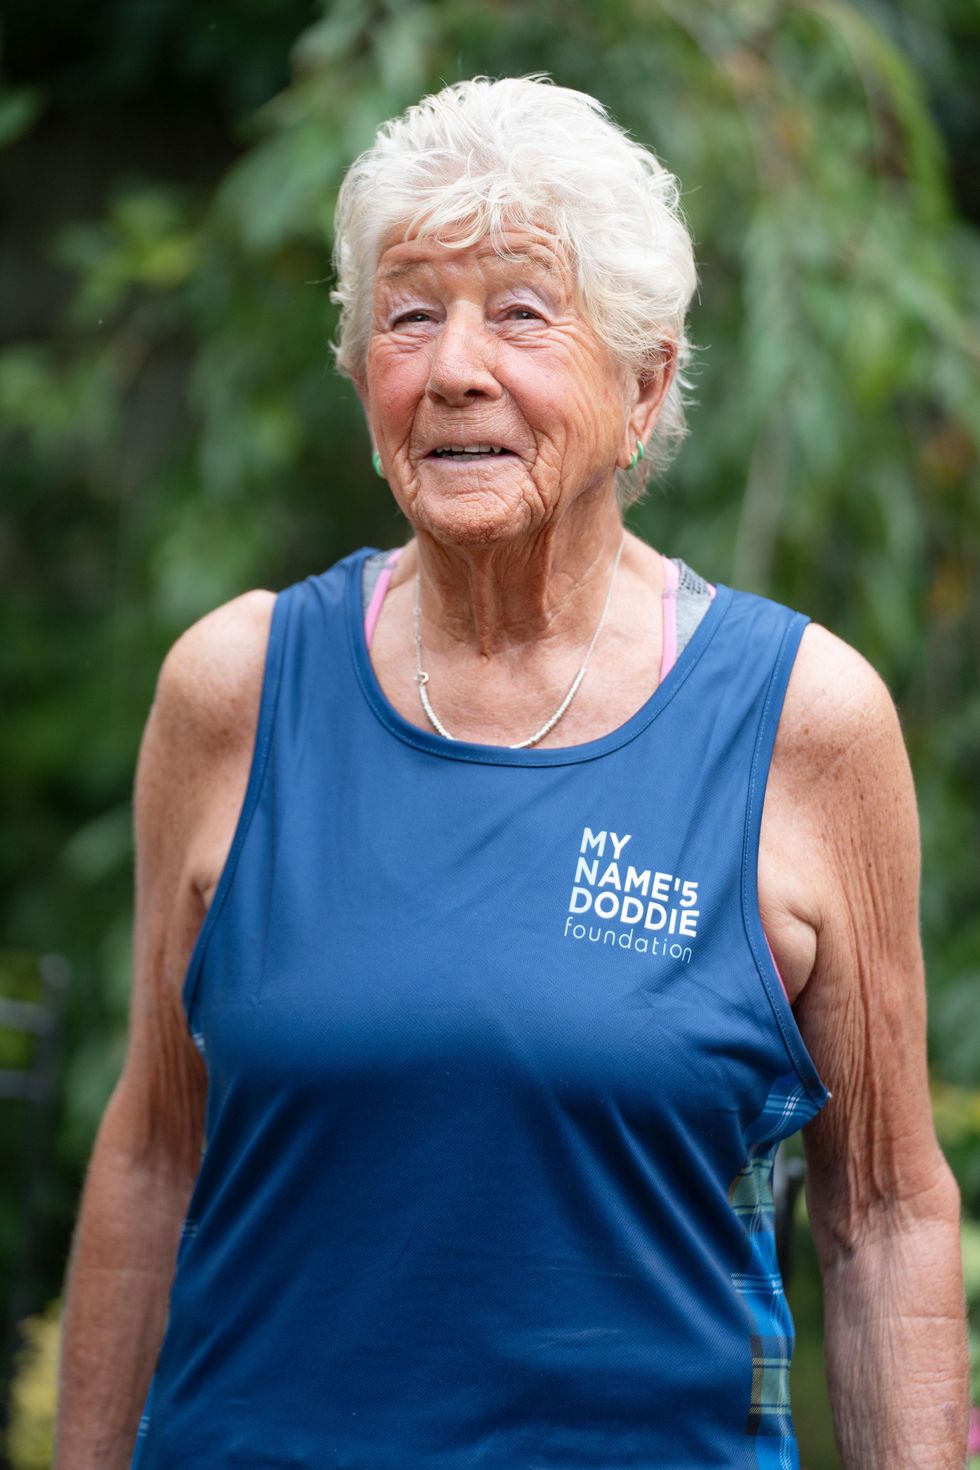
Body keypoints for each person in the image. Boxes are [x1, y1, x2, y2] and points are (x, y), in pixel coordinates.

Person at [54, 75, 968, 1469]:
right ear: (364, 374)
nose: (455, 370)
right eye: (410, 316)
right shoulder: (233, 692)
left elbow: (886, 1213)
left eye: (524, 313)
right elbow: (152, 1155)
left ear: (644, 385)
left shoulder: (800, 721)